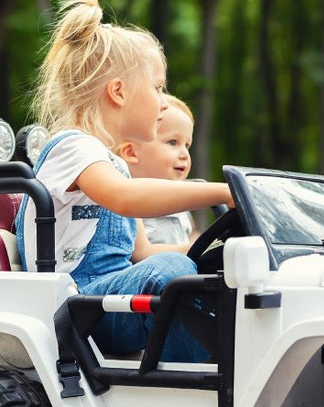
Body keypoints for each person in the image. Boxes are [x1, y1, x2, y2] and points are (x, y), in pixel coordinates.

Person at [15, 0, 233, 363]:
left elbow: (142, 253)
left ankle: (212, 370)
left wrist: (212, 250)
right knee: (174, 275)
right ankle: (194, 378)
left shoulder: (111, 162)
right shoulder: (73, 147)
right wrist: (223, 191)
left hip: (109, 302)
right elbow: (125, 198)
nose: (165, 103)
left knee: (208, 273)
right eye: (158, 88)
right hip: (76, 306)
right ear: (118, 92)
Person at [116, 95, 197, 245]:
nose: (185, 154)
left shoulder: (181, 202)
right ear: (131, 153)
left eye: (187, 145)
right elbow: (141, 254)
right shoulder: (130, 203)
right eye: (172, 142)